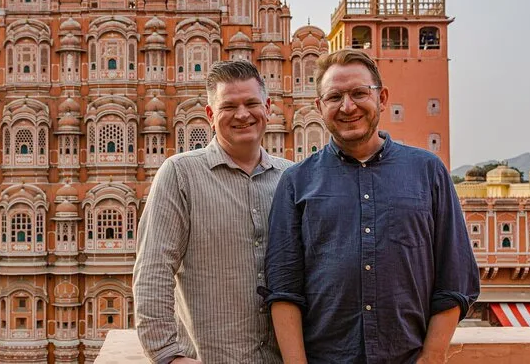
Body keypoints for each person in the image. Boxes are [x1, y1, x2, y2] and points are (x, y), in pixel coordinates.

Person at [263, 48, 480, 364]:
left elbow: (455, 278)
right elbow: (284, 288)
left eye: (359, 93)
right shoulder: (298, 181)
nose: (347, 106)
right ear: (319, 107)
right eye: (335, 97)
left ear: (382, 98)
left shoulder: (427, 172)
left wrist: (431, 357)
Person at [133, 60, 293, 364]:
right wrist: (166, 355)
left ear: (267, 107)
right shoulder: (181, 174)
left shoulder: (291, 178)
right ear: (210, 115)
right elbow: (154, 268)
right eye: (229, 106)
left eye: (251, 103)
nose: (242, 114)